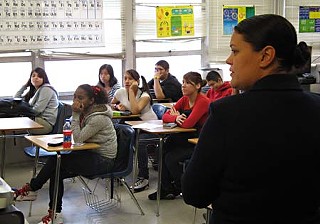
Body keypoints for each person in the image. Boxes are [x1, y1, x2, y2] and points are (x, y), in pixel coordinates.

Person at [182, 14, 320, 224]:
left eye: (235, 51)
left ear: (266, 56)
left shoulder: (226, 114)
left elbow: (195, 193)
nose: (229, 60)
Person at [14, 84, 117, 224]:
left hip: (103, 160)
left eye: (80, 98)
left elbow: (79, 137)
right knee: (56, 171)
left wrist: (75, 114)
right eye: (75, 97)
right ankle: (55, 214)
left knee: (56, 161)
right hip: (89, 153)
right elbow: (77, 136)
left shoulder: (99, 117)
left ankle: (33, 188)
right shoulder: (87, 113)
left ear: (92, 101)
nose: (76, 101)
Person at [148, 71, 210, 200]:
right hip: (184, 137)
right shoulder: (184, 99)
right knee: (161, 150)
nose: (183, 86)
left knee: (171, 157)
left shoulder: (203, 101)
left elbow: (188, 123)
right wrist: (175, 118)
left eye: (188, 83)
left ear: (198, 86)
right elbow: (165, 117)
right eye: (183, 82)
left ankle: (182, 187)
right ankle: (166, 188)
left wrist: (175, 117)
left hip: (199, 141)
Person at [111, 69, 157, 192]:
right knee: (119, 134)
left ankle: (144, 177)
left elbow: (136, 110)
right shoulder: (120, 92)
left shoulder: (145, 95)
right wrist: (117, 106)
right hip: (134, 124)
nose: (127, 81)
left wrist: (131, 91)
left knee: (139, 142)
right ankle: (119, 170)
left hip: (148, 127)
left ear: (137, 81)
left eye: (130, 79)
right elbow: (111, 104)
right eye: (125, 78)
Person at [14, 67, 59, 134]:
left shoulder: (46, 89)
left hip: (45, 124)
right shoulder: (35, 91)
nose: (36, 78)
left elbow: (37, 110)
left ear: (44, 78)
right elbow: (16, 99)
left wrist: (24, 113)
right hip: (36, 120)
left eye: (39, 76)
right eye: (33, 76)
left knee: (16, 121)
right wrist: (25, 85)